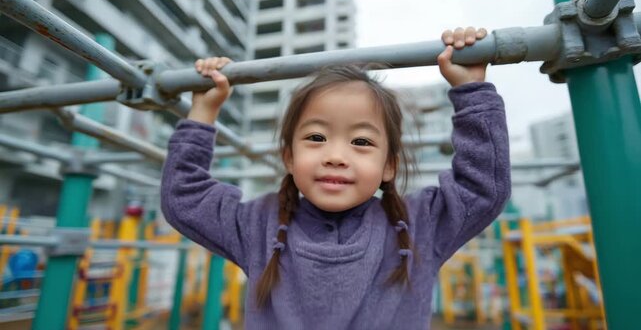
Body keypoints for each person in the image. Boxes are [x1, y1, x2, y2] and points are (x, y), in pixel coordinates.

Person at [161, 27, 511, 329]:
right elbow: (186, 198)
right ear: (289, 158)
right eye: (316, 138)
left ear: (389, 165)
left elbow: (480, 187)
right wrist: (203, 112)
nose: (335, 156)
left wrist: (472, 92)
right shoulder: (259, 225)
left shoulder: (420, 224)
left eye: (361, 142)